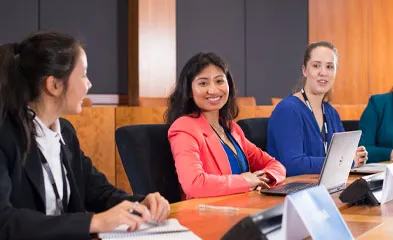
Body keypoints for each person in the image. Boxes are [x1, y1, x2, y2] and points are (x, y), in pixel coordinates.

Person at [0, 31, 170, 239]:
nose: (89, 84)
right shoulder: (6, 136)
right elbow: (5, 221)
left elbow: (96, 191)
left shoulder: (65, 132)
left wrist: (139, 203)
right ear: (54, 85)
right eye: (83, 75)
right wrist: (95, 221)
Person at [167, 52, 286, 199]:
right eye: (203, 83)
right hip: (206, 214)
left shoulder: (232, 129)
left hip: (241, 207)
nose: (213, 90)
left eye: (219, 81)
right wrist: (246, 181)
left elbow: (276, 166)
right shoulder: (184, 127)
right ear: (189, 91)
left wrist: (263, 178)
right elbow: (195, 184)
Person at [267, 41, 368, 177]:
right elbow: (292, 165)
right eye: (316, 66)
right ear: (304, 70)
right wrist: (347, 161)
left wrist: (356, 155)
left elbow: (342, 155)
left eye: (329, 67)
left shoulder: (331, 112)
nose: (323, 72)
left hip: (325, 185)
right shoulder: (288, 110)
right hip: (293, 192)